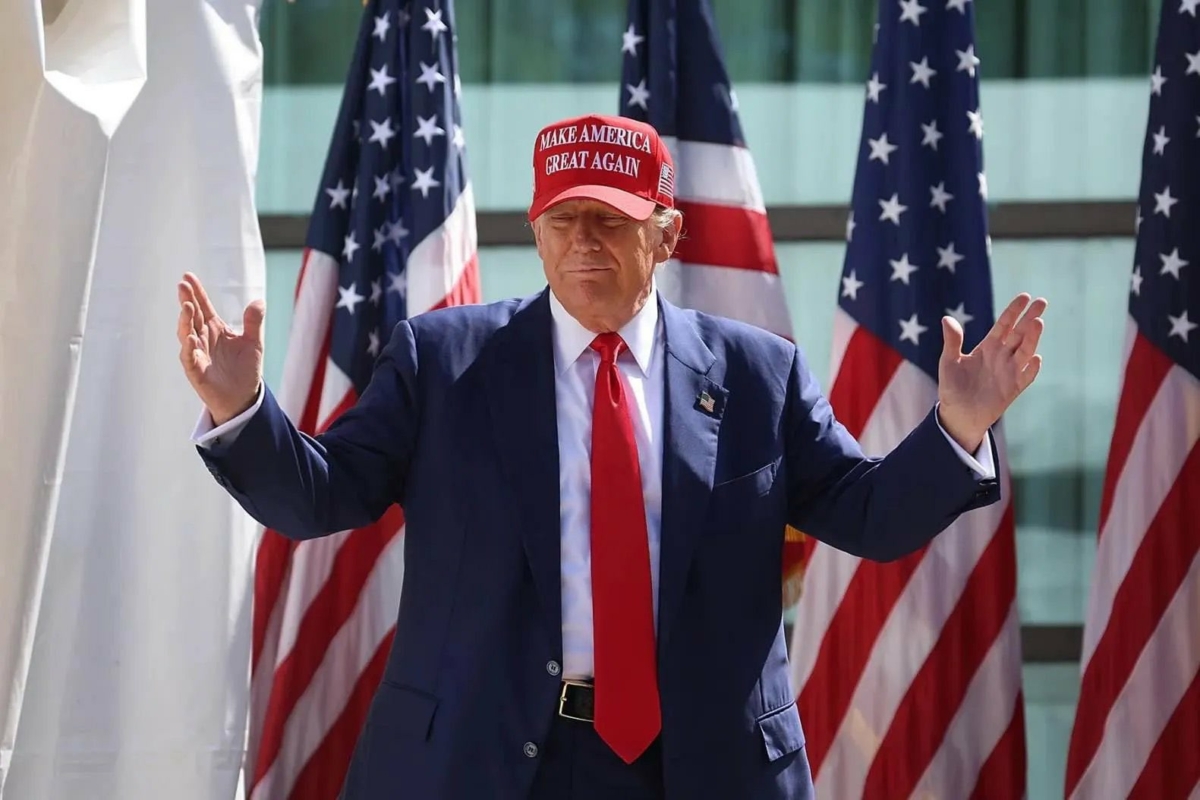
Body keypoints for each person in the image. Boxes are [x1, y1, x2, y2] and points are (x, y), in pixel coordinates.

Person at [178, 112, 1045, 800]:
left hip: (701, 766)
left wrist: (956, 430)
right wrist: (241, 409)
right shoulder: (443, 362)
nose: (583, 241)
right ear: (536, 228)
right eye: (563, 219)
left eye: (611, 219)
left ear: (666, 235)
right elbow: (319, 498)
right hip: (487, 760)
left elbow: (867, 514)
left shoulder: (755, 373)